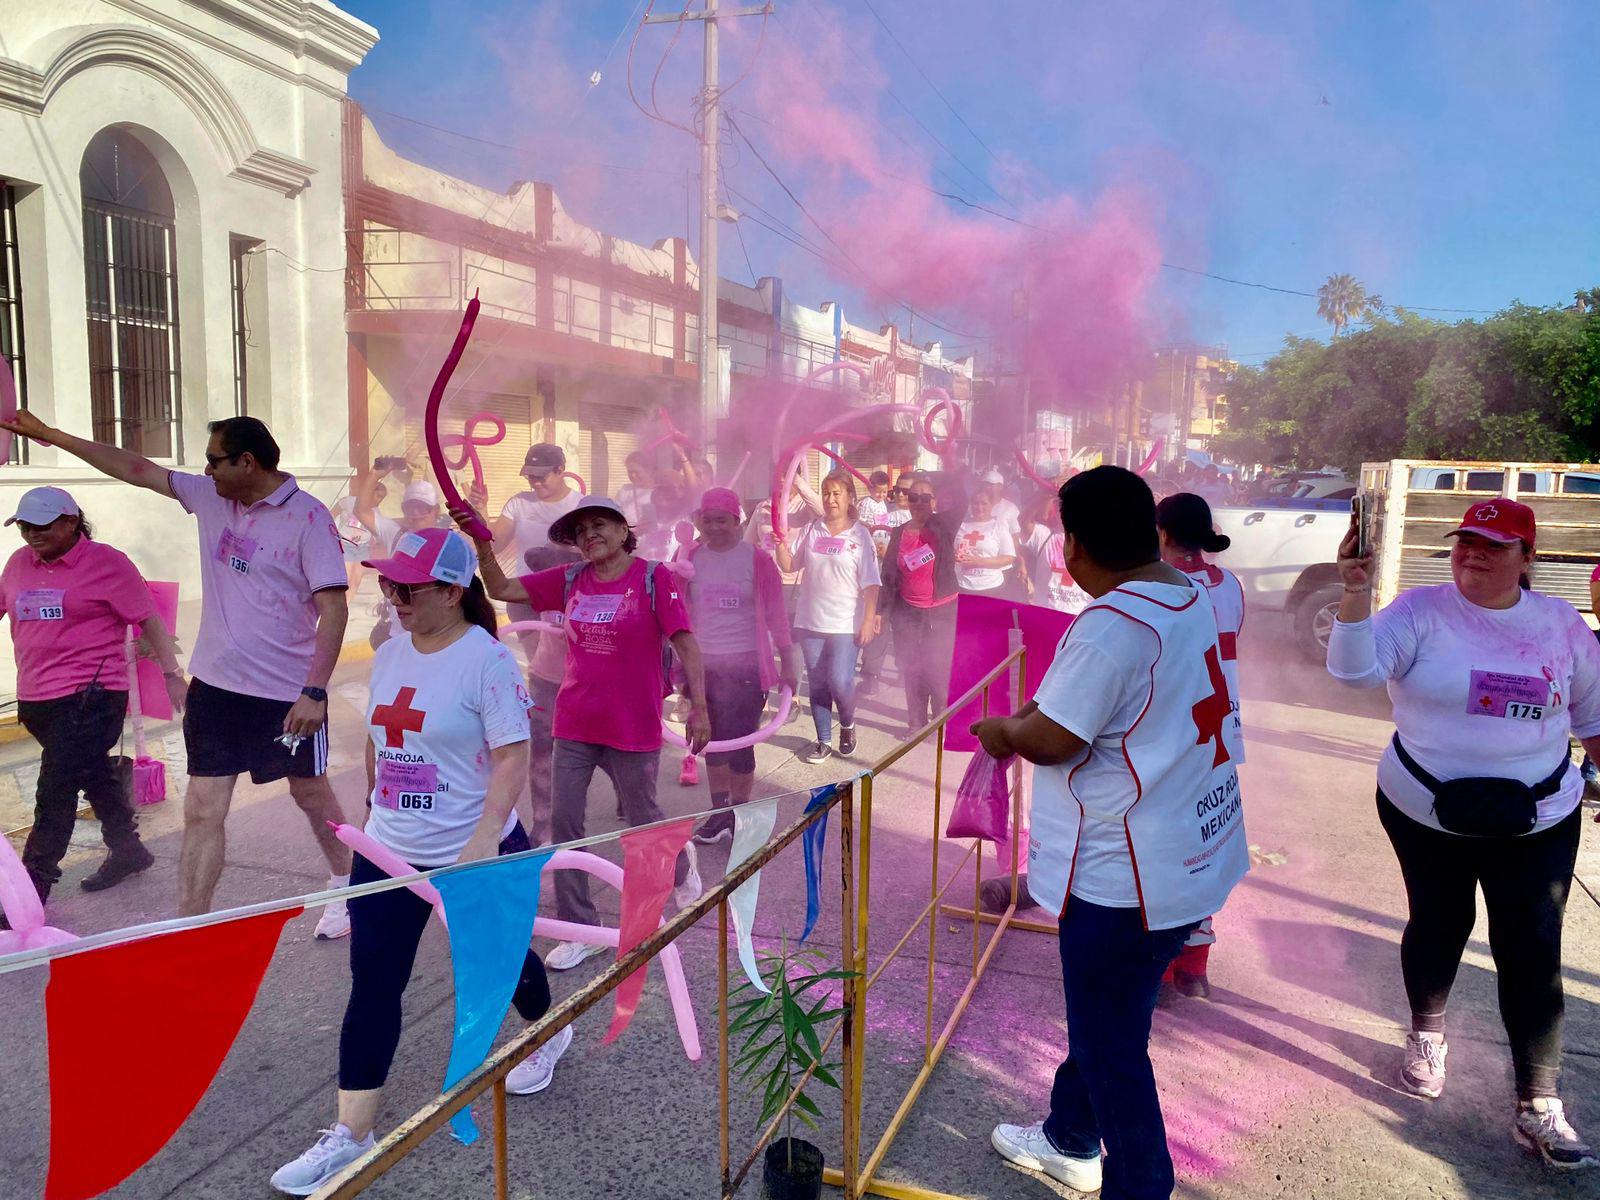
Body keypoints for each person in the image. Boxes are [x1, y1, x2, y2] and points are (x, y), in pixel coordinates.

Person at [974, 466, 1247, 1200]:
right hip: (1189, 854)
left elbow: (1055, 738)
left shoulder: (1114, 623)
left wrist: (1003, 730)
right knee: (1110, 1015)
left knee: (1112, 1048)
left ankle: (1140, 1187)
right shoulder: (1188, 593)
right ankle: (1068, 1135)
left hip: (1126, 881)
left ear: (1073, 544)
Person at [270, 527, 561, 1195]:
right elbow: (382, 733)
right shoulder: (392, 652)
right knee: (373, 985)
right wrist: (375, 809)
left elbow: (513, 755)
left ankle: (545, 1033)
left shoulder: (487, 662)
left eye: (407, 586)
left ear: (453, 592)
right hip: (391, 853)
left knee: (503, 966)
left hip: (473, 849)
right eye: (389, 583)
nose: (392, 595)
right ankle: (351, 1135)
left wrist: (484, 837)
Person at [0, 412, 354, 931]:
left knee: (309, 793)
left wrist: (315, 690)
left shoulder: (309, 519)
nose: (205, 471)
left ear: (246, 461)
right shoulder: (212, 497)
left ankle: (350, 885)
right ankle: (189, 928)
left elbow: (334, 609)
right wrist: (49, 436)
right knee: (203, 810)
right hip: (215, 688)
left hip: (285, 695)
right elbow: (135, 467)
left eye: (214, 460)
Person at [1328, 498, 1600, 1169]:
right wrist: (1355, 594)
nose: (1472, 554)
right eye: (1465, 542)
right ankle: (1427, 1035)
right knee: (1440, 921)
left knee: (1532, 946)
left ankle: (1538, 1104)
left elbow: (1593, 717)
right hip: (1425, 811)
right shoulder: (1421, 611)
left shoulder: (1562, 626)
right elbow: (1352, 671)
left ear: (1528, 558)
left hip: (1537, 819)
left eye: (1493, 545)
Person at [456, 496, 711, 971]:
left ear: (622, 530)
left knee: (641, 821)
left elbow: (685, 641)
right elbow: (502, 587)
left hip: (631, 723)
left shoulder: (654, 578)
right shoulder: (571, 578)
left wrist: (698, 704)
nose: (589, 536)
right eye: (580, 532)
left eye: (599, 526)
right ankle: (584, 928)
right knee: (561, 822)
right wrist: (482, 542)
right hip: (573, 721)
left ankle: (681, 862)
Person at [0, 488, 183, 906]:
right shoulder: (18, 564)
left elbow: (148, 620)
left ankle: (30, 892)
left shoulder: (107, 563)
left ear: (70, 522)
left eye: (41, 526)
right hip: (38, 698)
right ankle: (128, 849)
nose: (31, 534)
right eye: (24, 526)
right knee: (92, 774)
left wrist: (173, 673)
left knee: (56, 788)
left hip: (93, 696)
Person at [1154, 492, 1247, 1002]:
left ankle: (1163, 973)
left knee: (1169, 849)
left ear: (1162, 532)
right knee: (1207, 843)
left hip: (1179, 731)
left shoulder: (1162, 586)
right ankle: (1195, 969)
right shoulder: (1229, 583)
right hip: (1224, 732)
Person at [682, 488, 799, 844]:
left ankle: (741, 813)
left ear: (737, 521)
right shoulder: (690, 558)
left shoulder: (757, 560)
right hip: (703, 666)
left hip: (747, 666)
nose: (715, 527)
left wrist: (789, 662)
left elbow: (777, 614)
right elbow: (677, 612)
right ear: (700, 521)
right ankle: (719, 815)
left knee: (739, 744)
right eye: (708, 520)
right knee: (708, 741)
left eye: (722, 520)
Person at [776, 470, 881, 763]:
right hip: (810, 621)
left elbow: (872, 583)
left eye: (837, 493)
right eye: (826, 492)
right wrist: (779, 543)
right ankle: (823, 740)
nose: (830, 499)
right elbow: (790, 564)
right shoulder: (812, 529)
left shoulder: (860, 535)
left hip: (845, 622)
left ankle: (847, 723)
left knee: (840, 680)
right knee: (818, 683)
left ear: (849, 498)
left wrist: (868, 618)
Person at [879, 476, 963, 734]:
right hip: (908, 612)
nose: (918, 502)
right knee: (911, 668)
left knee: (937, 669)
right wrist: (880, 612)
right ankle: (916, 723)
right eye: (913, 497)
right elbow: (889, 575)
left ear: (935, 501)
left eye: (925, 498)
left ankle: (940, 722)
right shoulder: (899, 532)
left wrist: (950, 465)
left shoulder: (944, 526)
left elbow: (962, 500)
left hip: (941, 612)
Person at [519, 543, 581, 846]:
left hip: (585, 682)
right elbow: (532, 557)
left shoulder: (595, 586)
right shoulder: (548, 582)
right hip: (545, 678)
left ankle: (573, 827)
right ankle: (543, 823)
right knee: (542, 753)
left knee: (592, 755)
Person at [355, 468, 448, 650]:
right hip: (398, 637)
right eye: (409, 507)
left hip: (436, 638)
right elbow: (362, 511)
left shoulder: (449, 543)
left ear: (436, 510)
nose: (415, 513)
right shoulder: (396, 535)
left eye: (422, 507)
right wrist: (374, 474)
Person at [485, 443, 586, 565]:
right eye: (531, 477)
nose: (536, 483)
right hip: (524, 583)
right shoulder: (519, 503)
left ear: (559, 471)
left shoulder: (581, 506)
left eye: (541, 477)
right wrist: (481, 508)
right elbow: (495, 546)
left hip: (567, 582)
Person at [955, 488, 1018, 597]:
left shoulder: (999, 526)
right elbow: (952, 551)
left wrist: (979, 561)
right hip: (963, 585)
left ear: (991, 505)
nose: (979, 508)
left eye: (984, 503)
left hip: (991, 587)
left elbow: (1009, 557)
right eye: (976, 503)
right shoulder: (961, 526)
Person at [616, 451, 656, 528]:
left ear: (648, 470)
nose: (633, 476)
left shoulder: (658, 493)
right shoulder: (625, 490)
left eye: (636, 472)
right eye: (629, 472)